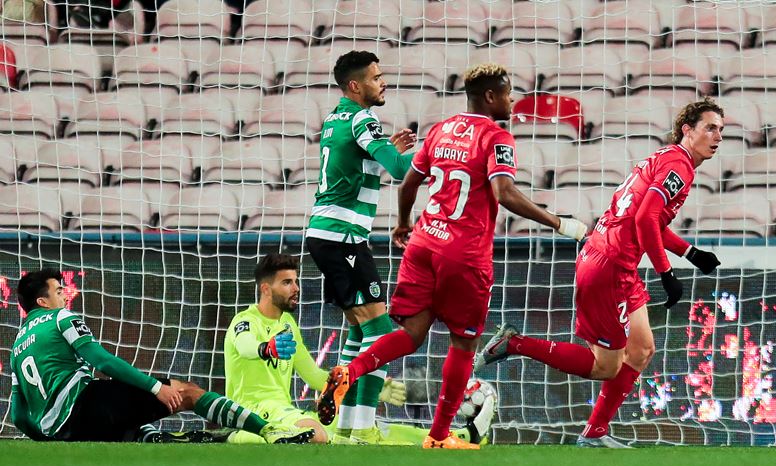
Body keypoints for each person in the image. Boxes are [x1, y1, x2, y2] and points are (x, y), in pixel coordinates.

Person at [316, 63, 588, 449]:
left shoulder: (441, 130)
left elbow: (409, 181)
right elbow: (504, 193)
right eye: (508, 93)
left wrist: (402, 223)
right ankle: (439, 437)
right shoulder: (497, 136)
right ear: (491, 97)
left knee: (409, 335)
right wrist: (559, 223)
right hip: (465, 255)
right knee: (463, 346)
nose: (513, 100)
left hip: (424, 243)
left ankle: (350, 370)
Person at [474, 97, 725, 448]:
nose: (717, 136)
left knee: (641, 350)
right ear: (687, 129)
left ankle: (595, 433)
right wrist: (666, 272)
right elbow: (644, 219)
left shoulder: (668, 159)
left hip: (614, 257)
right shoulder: (678, 167)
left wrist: (691, 253)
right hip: (610, 265)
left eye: (721, 130)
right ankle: (514, 343)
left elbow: (648, 219)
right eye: (710, 127)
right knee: (605, 366)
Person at [8, 268, 313, 444]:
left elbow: (19, 415)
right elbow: (103, 362)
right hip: (84, 406)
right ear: (43, 301)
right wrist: (157, 388)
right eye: (59, 290)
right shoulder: (61, 318)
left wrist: (49, 439)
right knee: (186, 392)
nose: (65, 295)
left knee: (129, 422)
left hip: (60, 431)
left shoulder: (18, 346)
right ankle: (271, 431)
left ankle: (161, 439)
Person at [221, 253, 494, 445]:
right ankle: (238, 433)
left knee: (365, 429)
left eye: (296, 281)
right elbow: (245, 347)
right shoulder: (245, 321)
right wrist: (266, 348)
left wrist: (369, 386)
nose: (296, 288)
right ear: (266, 289)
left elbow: (315, 377)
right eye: (287, 282)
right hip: (254, 410)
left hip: (284, 411)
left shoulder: (287, 324)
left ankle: (460, 436)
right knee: (316, 434)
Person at [304, 49, 418, 443]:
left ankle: (348, 425)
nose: (382, 82)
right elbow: (403, 172)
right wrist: (438, 149)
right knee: (384, 333)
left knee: (358, 330)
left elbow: (358, 165)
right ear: (355, 85)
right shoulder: (361, 119)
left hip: (326, 234)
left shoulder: (336, 119)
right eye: (375, 77)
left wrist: (390, 147)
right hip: (344, 236)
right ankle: (366, 422)